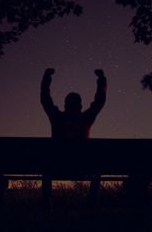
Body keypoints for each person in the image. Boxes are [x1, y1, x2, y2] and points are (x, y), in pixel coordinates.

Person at [40, 68, 107, 208]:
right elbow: (99, 102)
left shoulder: (57, 118)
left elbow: (45, 100)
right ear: (80, 105)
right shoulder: (86, 118)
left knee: (46, 167)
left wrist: (47, 78)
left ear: (65, 104)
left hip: (56, 166)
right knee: (98, 167)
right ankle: (91, 204)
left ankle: (47, 206)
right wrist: (101, 80)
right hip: (84, 167)